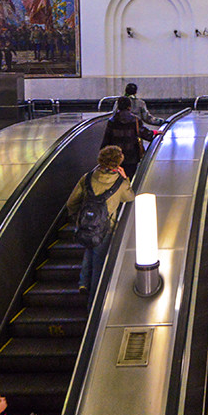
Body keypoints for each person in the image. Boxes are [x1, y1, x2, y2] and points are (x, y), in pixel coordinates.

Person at [66, 145, 136, 293]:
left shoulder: (87, 177)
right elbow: (130, 197)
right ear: (118, 162)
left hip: (85, 223)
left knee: (89, 248)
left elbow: (71, 202)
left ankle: (83, 282)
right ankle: (93, 301)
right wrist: (125, 178)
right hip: (105, 228)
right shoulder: (120, 183)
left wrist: (76, 217)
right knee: (98, 261)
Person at [101, 96, 156, 179]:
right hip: (132, 156)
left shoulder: (112, 121)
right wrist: (154, 133)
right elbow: (145, 134)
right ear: (129, 107)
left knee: (116, 177)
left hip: (116, 156)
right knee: (129, 177)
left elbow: (107, 139)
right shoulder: (135, 120)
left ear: (118, 106)